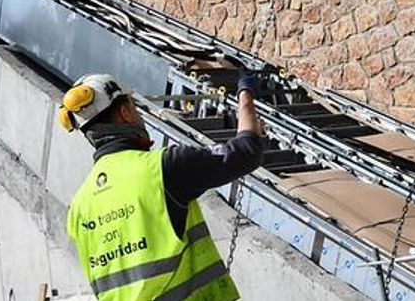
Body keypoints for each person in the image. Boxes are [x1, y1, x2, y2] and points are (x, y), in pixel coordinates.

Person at [59, 72, 264, 300]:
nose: (139, 115)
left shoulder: (79, 209)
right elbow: (246, 152)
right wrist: (246, 94)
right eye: (134, 107)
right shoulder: (161, 169)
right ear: (125, 113)